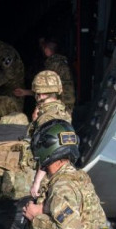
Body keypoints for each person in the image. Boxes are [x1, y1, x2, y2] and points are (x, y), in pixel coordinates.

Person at [26, 71, 72, 199]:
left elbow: (48, 153)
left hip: (47, 174)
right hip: (62, 169)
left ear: (39, 94)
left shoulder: (46, 118)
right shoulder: (63, 112)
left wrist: (36, 182)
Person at [42, 37, 76, 112]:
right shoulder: (62, 60)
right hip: (68, 96)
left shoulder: (52, 64)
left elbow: (45, 85)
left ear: (47, 50)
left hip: (61, 99)